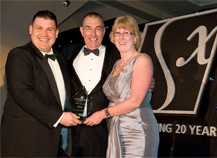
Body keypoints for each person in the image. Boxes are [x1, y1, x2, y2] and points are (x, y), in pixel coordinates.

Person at [0, 10, 81, 157]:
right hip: (25, 142)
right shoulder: (19, 55)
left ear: (56, 33)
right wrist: (60, 117)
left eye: (49, 29)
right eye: (39, 28)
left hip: (55, 140)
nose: (44, 34)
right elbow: (23, 93)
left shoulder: (61, 59)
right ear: (31, 29)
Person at [84, 15, 160, 157]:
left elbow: (135, 101)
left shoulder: (142, 59)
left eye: (126, 33)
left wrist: (102, 114)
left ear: (135, 37)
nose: (121, 37)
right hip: (116, 128)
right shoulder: (116, 64)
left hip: (137, 129)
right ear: (113, 37)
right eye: (118, 33)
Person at [63, 12, 120, 157]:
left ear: (104, 31)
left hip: (101, 132)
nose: (93, 34)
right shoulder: (68, 52)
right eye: (88, 28)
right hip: (70, 131)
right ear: (81, 31)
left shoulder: (116, 55)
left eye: (98, 28)